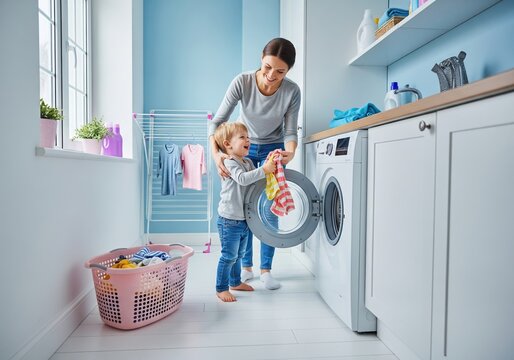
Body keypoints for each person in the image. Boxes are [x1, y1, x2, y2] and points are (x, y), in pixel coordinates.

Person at [208, 37, 300, 290]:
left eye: (280, 71)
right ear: (261, 58)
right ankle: (246, 267)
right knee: (245, 208)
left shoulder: (292, 91)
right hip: (242, 146)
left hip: (273, 149)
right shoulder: (243, 81)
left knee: (269, 209)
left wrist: (289, 154)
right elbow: (217, 123)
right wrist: (217, 156)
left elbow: (290, 131)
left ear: (288, 70)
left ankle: (266, 269)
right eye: (268, 67)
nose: (271, 75)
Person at [213, 122, 276, 302]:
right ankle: (221, 288)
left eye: (248, 137)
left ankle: (235, 282)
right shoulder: (229, 162)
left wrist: (269, 168)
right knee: (228, 256)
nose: (248, 140)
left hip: (243, 220)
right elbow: (242, 179)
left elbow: (253, 182)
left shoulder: (247, 161)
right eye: (242, 137)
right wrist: (263, 169)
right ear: (228, 144)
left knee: (239, 255)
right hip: (229, 220)